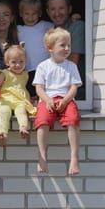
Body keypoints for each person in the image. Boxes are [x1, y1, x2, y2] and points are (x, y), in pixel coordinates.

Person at [33, 27, 82, 176]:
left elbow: (74, 87)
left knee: (73, 120)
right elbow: (39, 88)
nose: (67, 48)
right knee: (42, 121)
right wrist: (47, 100)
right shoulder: (43, 66)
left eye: (69, 45)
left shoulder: (71, 66)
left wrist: (66, 100)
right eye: (62, 45)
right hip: (48, 99)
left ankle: (74, 157)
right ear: (50, 48)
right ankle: (42, 157)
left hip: (66, 99)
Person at [0, 42, 37, 147]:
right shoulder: (4, 73)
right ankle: (3, 133)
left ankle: (23, 128)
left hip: (20, 100)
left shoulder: (25, 74)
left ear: (26, 62)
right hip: (6, 100)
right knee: (4, 111)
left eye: (21, 62)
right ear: (7, 62)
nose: (18, 65)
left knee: (21, 111)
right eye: (14, 62)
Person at [46, 0, 85, 100]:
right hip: (53, 92)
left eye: (61, 8)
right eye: (53, 9)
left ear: (69, 9)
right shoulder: (49, 31)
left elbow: (72, 61)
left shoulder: (77, 26)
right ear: (48, 12)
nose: (57, 13)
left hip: (74, 93)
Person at [16, 0, 54, 100]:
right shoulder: (18, 29)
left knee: (45, 95)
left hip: (45, 69)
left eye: (34, 14)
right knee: (30, 95)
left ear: (40, 13)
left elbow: (62, 27)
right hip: (26, 70)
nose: (30, 17)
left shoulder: (46, 26)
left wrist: (74, 18)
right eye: (26, 14)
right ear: (21, 13)